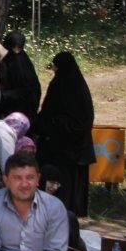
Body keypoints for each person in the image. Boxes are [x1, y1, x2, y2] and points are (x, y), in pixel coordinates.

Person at [33, 51, 94, 217]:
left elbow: (77, 120)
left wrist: (53, 122)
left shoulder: (64, 86)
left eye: (56, 66)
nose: (54, 70)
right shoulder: (76, 86)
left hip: (64, 147)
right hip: (70, 146)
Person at [0, 31, 41, 123]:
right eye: (14, 47)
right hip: (6, 105)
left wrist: (9, 95)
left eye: (19, 47)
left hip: (22, 106)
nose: (16, 51)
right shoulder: (2, 59)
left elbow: (32, 87)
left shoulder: (24, 61)